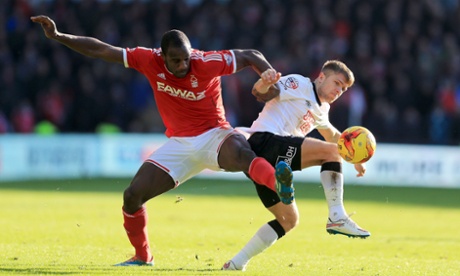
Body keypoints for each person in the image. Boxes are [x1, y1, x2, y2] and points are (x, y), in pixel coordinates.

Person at [30, 15, 294, 267]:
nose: (182, 66)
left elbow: (250, 56)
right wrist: (58, 35)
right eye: (175, 60)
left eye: (185, 60)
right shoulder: (147, 59)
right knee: (132, 196)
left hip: (214, 134)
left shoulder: (206, 62)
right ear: (162, 56)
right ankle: (142, 257)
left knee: (242, 155)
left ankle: (280, 186)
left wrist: (269, 73)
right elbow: (102, 50)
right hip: (179, 145)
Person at [222, 60, 370, 271]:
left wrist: (355, 158)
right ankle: (337, 216)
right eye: (337, 83)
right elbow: (261, 91)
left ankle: (236, 263)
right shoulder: (299, 84)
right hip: (264, 142)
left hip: (269, 163)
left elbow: (332, 135)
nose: (339, 91)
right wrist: (264, 83)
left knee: (288, 220)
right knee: (331, 152)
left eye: (343, 89)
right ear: (321, 77)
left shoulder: (322, 108)